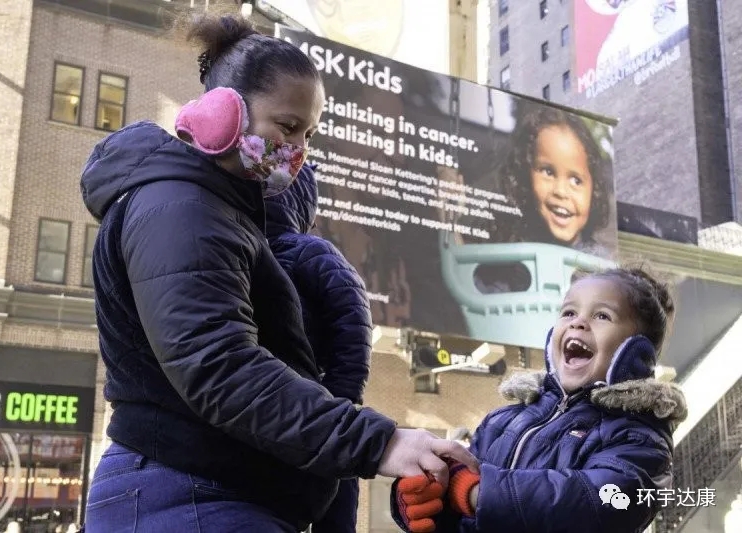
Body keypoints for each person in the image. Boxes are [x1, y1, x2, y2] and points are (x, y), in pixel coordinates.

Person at [79, 12, 476, 533]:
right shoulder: (179, 207)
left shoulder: (217, 212)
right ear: (221, 112)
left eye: (308, 134)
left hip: (216, 496)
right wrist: (381, 442)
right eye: (287, 127)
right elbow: (219, 366)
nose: (297, 151)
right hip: (183, 496)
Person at [390, 266, 688, 532]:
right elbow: (460, 503)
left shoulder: (639, 436)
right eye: (569, 312)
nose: (578, 323)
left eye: (602, 316)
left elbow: (599, 503)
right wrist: (423, 501)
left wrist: (475, 493)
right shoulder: (503, 419)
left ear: (636, 352)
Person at [263, 163, 371, 532]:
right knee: (335, 482)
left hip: (303, 400)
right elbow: (353, 321)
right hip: (310, 401)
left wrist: (341, 394)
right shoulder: (310, 250)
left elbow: (350, 317)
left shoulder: (302, 253)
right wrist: (343, 396)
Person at [494, 101, 612, 256]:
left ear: (593, 191)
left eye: (576, 181)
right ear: (524, 177)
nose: (561, 192)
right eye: (548, 172)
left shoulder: (600, 267)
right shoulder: (510, 257)